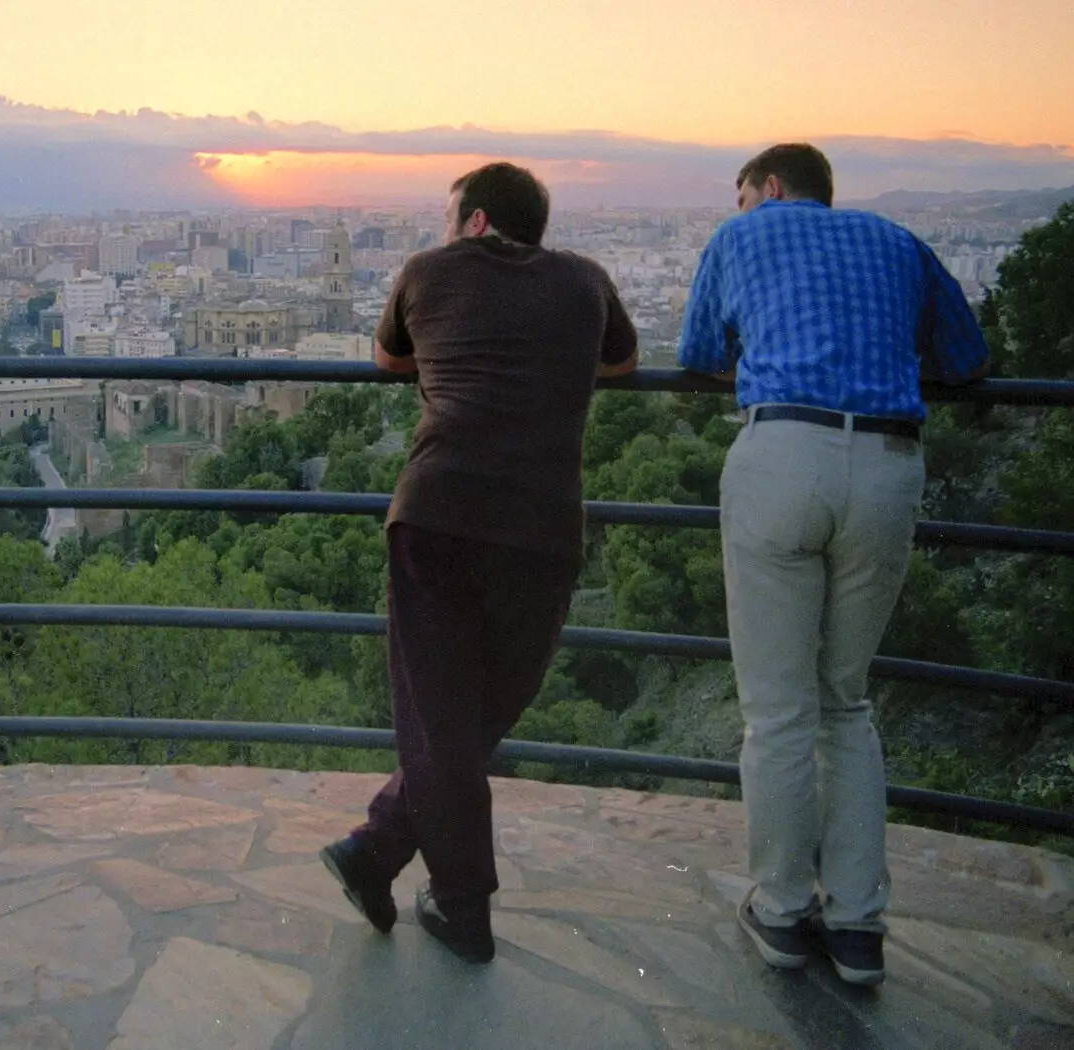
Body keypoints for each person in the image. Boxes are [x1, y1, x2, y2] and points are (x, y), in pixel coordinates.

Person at [678, 143, 989, 986]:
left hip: (781, 453)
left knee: (778, 712)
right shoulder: (898, 240)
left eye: (743, 195)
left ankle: (781, 912)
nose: (741, 208)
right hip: (889, 465)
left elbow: (699, 353)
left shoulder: (741, 239)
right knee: (844, 703)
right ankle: (858, 929)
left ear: (769, 188)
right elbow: (968, 359)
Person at [320, 162, 639, 963]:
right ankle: (452, 899)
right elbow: (623, 365)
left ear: (475, 220)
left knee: (441, 716)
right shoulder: (586, 282)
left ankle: (388, 853)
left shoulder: (427, 272)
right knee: (488, 706)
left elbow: (389, 361)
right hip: (542, 525)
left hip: (437, 513)